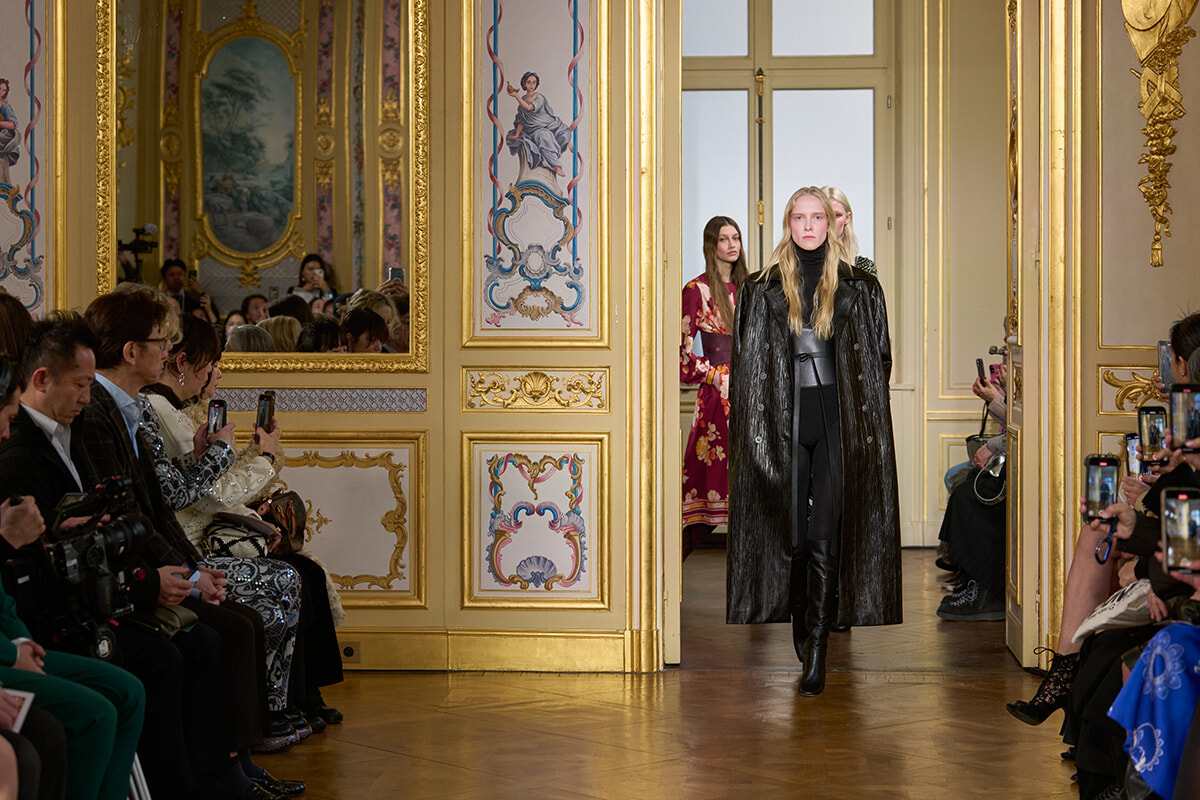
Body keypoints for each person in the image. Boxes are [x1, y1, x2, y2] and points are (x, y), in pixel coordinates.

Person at [727, 186, 901, 697]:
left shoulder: (859, 286)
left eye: (816, 217)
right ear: (787, 223)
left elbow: (879, 360)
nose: (808, 226)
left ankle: (819, 648)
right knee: (794, 538)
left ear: (831, 223)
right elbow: (746, 366)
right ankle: (802, 625)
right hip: (784, 423)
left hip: (834, 423)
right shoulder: (761, 288)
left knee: (825, 533)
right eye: (799, 217)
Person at [147, 316, 344, 732]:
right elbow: (212, 493)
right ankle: (272, 709)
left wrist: (255, 455)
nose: (218, 372)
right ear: (183, 363)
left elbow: (212, 484)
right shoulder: (162, 411)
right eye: (212, 363)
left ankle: (294, 700)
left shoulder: (176, 410)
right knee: (291, 577)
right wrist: (265, 458)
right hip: (194, 547)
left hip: (207, 534)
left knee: (302, 572)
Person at [0, 352, 146, 800]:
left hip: (11, 637)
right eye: (3, 416)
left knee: (127, 690)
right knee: (94, 712)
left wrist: (20, 642)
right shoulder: (18, 453)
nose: (6, 431)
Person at [679, 216, 747, 560]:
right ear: (711, 245)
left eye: (736, 237)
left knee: (752, 491)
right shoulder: (696, 290)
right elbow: (681, 356)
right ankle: (667, 572)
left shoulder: (749, 289)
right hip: (717, 398)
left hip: (751, 395)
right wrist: (715, 375)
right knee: (703, 493)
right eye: (724, 239)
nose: (732, 244)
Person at [505, 71, 571, 183]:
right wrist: (517, 134)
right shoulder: (522, 102)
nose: (531, 85)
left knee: (545, 135)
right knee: (540, 136)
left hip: (546, 126)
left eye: (534, 82)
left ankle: (556, 165)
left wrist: (516, 96)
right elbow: (522, 120)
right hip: (532, 131)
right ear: (524, 84)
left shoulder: (539, 98)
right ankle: (552, 164)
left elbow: (529, 108)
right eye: (529, 82)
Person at [822, 186, 876, 275]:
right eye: (824, 215)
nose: (830, 222)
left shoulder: (864, 267)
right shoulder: (796, 266)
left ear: (847, 218)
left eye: (836, 215)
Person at [0, 79, 19, 187]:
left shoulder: (5, 107)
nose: (1, 92)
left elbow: (13, 124)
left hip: (2, 140)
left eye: (4, 90)